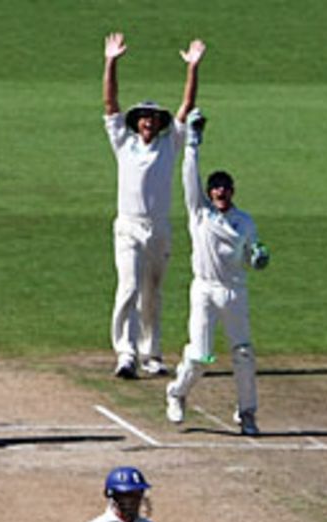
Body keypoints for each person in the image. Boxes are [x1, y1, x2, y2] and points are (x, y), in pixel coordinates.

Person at [102, 31, 204, 380]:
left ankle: (151, 353)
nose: (148, 121)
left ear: (159, 123)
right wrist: (111, 61)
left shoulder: (169, 144)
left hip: (158, 227)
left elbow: (186, 106)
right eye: (143, 117)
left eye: (153, 117)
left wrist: (192, 68)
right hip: (128, 226)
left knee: (152, 292)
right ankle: (125, 354)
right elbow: (110, 105)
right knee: (128, 287)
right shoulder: (123, 142)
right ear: (137, 122)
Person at [165, 109, 270, 436]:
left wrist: (258, 259)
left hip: (235, 291)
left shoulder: (245, 222)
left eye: (225, 188)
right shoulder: (200, 215)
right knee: (200, 356)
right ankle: (177, 393)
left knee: (243, 354)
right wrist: (193, 143)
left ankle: (247, 413)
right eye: (216, 188)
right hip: (205, 290)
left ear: (232, 191)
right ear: (209, 193)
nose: (221, 192)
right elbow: (189, 177)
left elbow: (251, 256)